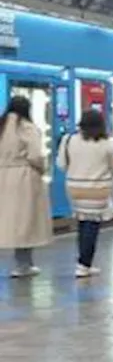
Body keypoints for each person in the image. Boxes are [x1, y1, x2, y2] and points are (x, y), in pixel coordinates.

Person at [57, 108, 113, 277]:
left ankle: (83, 261)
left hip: (75, 188)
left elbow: (61, 165)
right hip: (98, 189)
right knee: (92, 225)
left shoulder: (68, 139)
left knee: (81, 222)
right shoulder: (108, 143)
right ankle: (84, 264)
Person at [0, 94, 52, 278]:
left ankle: (24, 263)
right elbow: (35, 155)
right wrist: (43, 168)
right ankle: (23, 264)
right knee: (25, 221)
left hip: (3, 176)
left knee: (9, 221)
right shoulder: (27, 128)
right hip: (24, 177)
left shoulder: (2, 126)